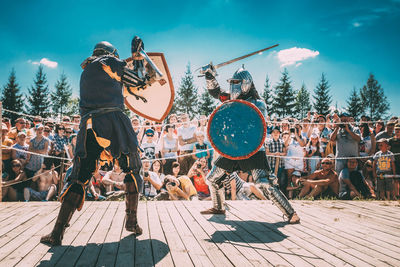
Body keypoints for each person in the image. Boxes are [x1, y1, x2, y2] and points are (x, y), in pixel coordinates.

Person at [41, 37, 161, 246]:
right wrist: (138, 58)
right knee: (133, 170)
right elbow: (140, 81)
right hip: (114, 122)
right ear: (112, 53)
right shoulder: (110, 62)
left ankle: (57, 233)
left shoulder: (86, 71)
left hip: (89, 126)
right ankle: (131, 222)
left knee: (78, 177)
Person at [199, 64, 300, 223]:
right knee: (212, 179)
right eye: (232, 83)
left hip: (253, 149)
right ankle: (219, 207)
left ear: (246, 83)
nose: (233, 87)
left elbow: (252, 122)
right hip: (233, 148)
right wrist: (210, 76)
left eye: (237, 83)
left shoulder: (258, 103)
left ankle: (291, 213)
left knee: (263, 183)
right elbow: (216, 92)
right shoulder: (231, 99)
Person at [265, 126, 287, 195]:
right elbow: (267, 152)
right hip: (271, 165)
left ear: (279, 133)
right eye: (274, 132)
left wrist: (279, 154)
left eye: (277, 132)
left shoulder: (282, 142)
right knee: (271, 181)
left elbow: (285, 153)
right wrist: (274, 154)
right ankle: (270, 195)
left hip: (280, 165)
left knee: (281, 181)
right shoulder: (268, 141)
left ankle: (281, 195)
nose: (276, 133)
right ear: (271, 133)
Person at [388, 123, 400, 199]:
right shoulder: (391, 140)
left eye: (399, 130)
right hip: (394, 162)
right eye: (396, 130)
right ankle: (396, 195)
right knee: (395, 178)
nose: (398, 131)